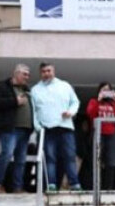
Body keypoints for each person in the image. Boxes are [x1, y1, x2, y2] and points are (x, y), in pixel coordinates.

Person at [28, 62, 81, 191]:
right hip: (47, 129)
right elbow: (33, 111)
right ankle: (51, 184)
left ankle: (74, 184)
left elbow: (75, 102)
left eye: (49, 71)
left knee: (69, 156)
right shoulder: (35, 90)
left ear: (54, 71)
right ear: (40, 73)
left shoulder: (65, 86)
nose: (46, 74)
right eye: (44, 71)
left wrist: (70, 112)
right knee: (50, 158)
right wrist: (38, 127)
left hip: (65, 127)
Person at [0, 64, 33, 193]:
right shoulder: (2, 86)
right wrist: (15, 102)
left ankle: (17, 187)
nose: (27, 77)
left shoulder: (27, 90)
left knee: (21, 160)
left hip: (25, 130)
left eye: (28, 75)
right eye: (24, 74)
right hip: (10, 129)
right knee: (6, 155)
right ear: (16, 74)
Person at [86, 82, 115, 190]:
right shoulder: (93, 101)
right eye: (103, 90)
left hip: (111, 135)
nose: (105, 92)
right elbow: (90, 113)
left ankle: (108, 188)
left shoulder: (113, 104)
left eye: (108, 90)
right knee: (96, 161)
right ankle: (95, 187)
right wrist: (98, 100)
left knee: (111, 162)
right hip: (98, 134)